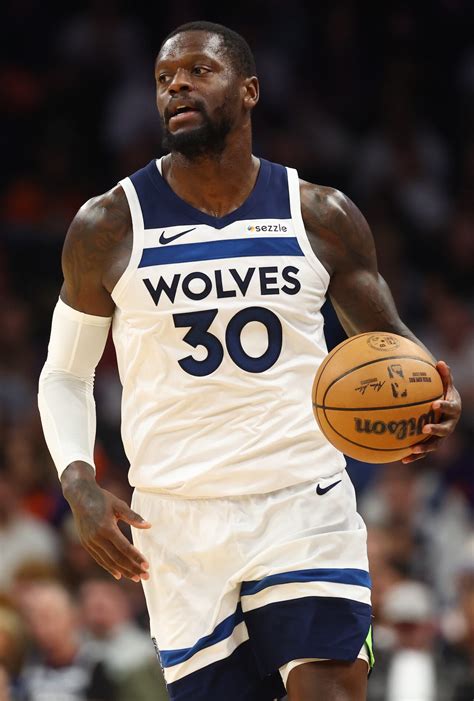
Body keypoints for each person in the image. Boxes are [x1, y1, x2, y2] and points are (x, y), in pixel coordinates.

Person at [37, 20, 462, 701]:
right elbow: (65, 372)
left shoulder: (319, 214)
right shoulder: (108, 224)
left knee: (331, 690)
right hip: (177, 517)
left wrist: (436, 394)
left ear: (250, 90)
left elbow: (391, 345)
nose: (176, 86)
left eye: (198, 71)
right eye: (164, 79)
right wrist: (77, 480)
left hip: (302, 497)